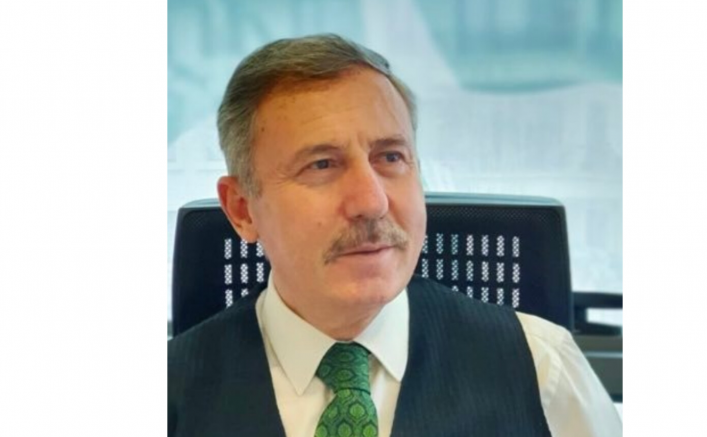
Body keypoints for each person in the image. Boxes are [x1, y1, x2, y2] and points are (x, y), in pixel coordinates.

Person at [168, 33, 622, 437]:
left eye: (390, 157)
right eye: (321, 165)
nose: (372, 202)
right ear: (242, 209)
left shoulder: (543, 369)